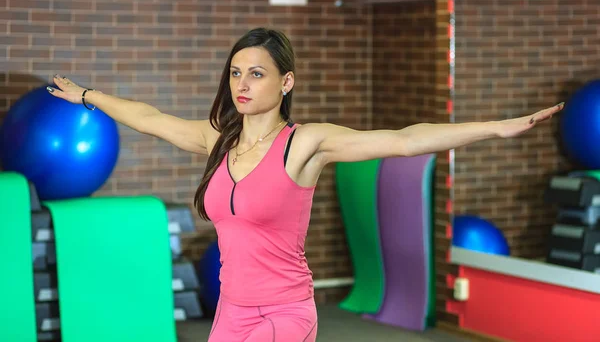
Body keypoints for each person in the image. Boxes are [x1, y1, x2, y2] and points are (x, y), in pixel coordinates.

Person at [46, 27, 564, 341]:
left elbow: (406, 140)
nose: (242, 85)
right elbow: (148, 117)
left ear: (285, 81)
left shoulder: (306, 144)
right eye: (235, 73)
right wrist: (88, 95)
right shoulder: (217, 141)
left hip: (286, 313)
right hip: (230, 312)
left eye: (257, 74)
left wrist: (496, 128)